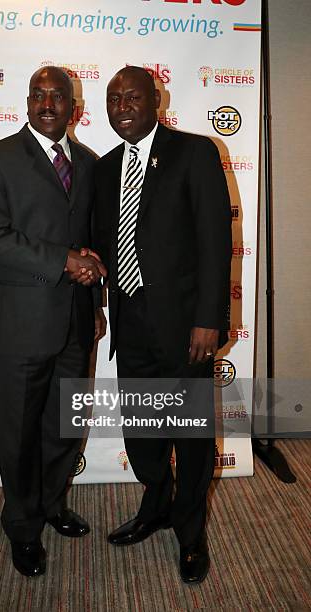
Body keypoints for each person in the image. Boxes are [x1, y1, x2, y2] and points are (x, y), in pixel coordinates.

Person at [94, 66, 231, 584]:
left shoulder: (195, 153)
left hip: (185, 329)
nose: (122, 105)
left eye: (132, 96)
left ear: (157, 100)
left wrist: (208, 321)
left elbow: (216, 244)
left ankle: (191, 534)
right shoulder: (106, 169)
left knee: (192, 437)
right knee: (144, 432)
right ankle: (156, 505)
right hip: (131, 325)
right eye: (113, 99)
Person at [0, 66, 106, 577]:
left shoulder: (88, 164)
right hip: (21, 320)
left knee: (66, 425)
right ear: (27, 101)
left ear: (74, 106)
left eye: (58, 97)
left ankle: (50, 503)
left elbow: (89, 239)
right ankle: (23, 527)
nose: (48, 104)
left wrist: (94, 307)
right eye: (38, 95)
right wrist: (65, 260)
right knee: (22, 432)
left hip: (75, 320)